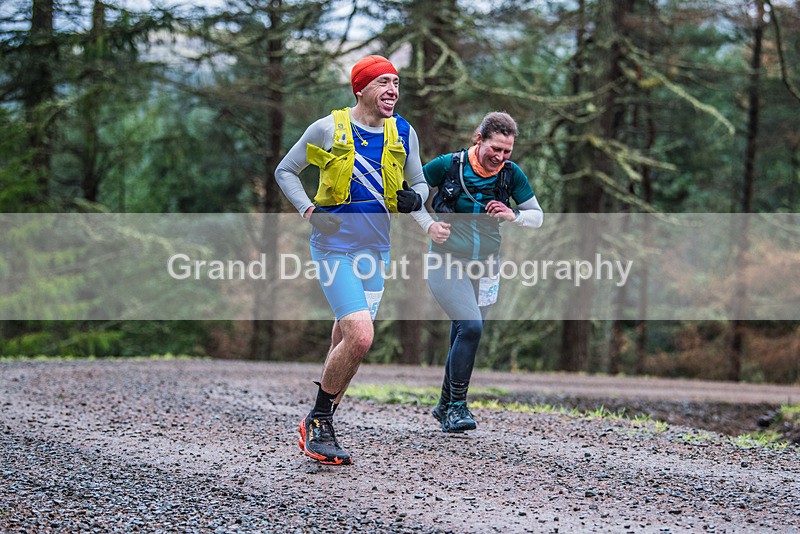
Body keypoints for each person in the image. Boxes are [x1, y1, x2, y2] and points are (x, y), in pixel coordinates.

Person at [274, 55, 428, 464]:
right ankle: (319, 420)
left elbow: (419, 183)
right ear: (360, 89)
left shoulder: (403, 132)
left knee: (346, 341)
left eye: (396, 82)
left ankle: (322, 425)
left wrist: (418, 198)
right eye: (382, 82)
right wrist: (309, 211)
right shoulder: (327, 128)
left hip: (376, 251)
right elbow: (285, 171)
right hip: (333, 248)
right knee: (361, 337)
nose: (392, 89)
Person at [412, 111, 543, 433]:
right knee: (471, 326)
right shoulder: (448, 165)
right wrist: (429, 226)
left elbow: (537, 217)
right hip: (445, 260)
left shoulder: (511, 175)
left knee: (465, 330)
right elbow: (411, 195)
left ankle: (445, 407)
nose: (500, 157)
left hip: (487, 266)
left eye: (506, 151)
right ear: (478, 139)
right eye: (494, 149)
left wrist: (514, 216)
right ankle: (457, 406)